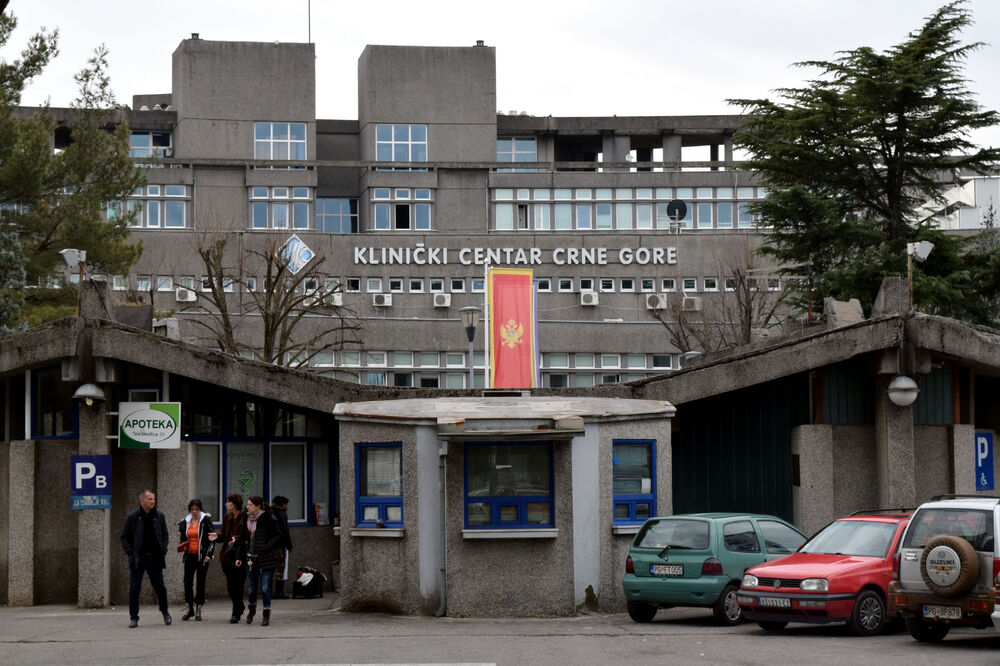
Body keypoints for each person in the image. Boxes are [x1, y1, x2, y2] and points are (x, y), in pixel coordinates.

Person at [120, 489, 171, 628]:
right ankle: (134, 618)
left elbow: (165, 535)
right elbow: (124, 536)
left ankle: (165, 612)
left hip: (155, 558)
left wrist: (164, 550)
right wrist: (131, 553)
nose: (152, 501)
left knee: (160, 587)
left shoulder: (159, 516)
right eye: (150, 499)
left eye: (153, 499)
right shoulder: (133, 517)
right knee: (134, 588)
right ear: (142, 500)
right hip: (138, 559)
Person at [236, 495, 282, 626]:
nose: (247, 507)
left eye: (250, 505)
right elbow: (242, 539)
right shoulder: (246, 518)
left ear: (258, 507)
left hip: (265, 558)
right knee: (251, 589)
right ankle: (251, 610)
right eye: (248, 504)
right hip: (250, 558)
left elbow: (279, 536)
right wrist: (239, 557)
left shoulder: (268, 518)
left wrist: (267, 545)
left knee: (265, 587)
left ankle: (266, 613)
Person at [176, 498, 215, 621]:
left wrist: (209, 554)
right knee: (187, 582)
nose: (194, 512)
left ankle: (199, 608)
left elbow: (212, 539)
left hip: (202, 556)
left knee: (200, 582)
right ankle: (189, 609)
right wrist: (183, 546)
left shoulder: (206, 521)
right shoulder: (185, 522)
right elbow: (183, 538)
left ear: (200, 509)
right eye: (192, 509)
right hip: (189, 555)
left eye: (196, 509)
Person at [216, 493, 247, 623]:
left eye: (228, 502)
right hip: (227, 556)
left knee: (238, 585)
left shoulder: (245, 517)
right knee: (230, 587)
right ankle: (239, 605)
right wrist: (216, 537)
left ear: (235, 504)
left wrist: (237, 539)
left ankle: (236, 612)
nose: (226, 504)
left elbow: (247, 535)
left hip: (239, 555)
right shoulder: (227, 517)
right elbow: (223, 534)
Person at [271, 495, 293, 599]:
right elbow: (285, 531)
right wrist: (289, 545)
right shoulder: (282, 514)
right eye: (286, 504)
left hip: (270, 545)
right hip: (280, 545)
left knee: (270, 568)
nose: (287, 506)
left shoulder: (270, 513)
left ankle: (268, 590)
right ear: (283, 504)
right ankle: (279, 592)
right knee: (281, 568)